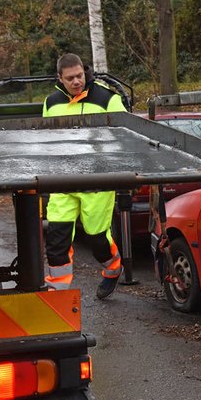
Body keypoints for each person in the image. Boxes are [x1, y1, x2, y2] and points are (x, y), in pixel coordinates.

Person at [42, 52, 128, 299]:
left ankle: (113, 268)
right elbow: (47, 140)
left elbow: (126, 137)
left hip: (96, 181)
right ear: (60, 78)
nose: (76, 81)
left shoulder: (107, 99)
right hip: (63, 180)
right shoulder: (51, 103)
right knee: (56, 237)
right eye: (70, 78)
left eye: (79, 75)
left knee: (97, 239)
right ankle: (56, 294)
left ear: (85, 71)